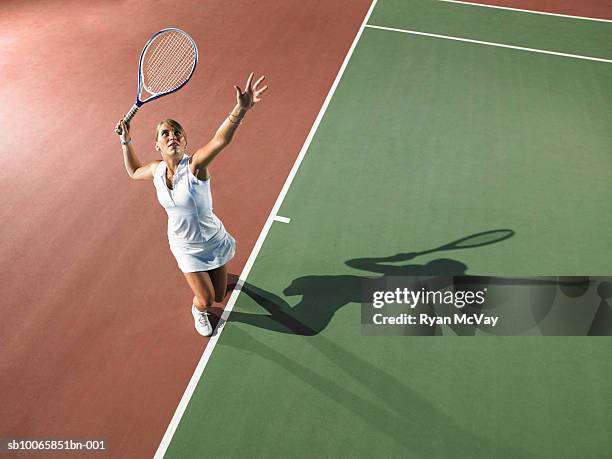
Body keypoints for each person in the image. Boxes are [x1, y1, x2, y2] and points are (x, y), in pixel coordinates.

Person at [115, 73, 268, 336]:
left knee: (221, 295)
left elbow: (221, 140)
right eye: (165, 134)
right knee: (208, 301)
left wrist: (240, 109)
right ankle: (198, 310)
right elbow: (132, 171)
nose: (172, 136)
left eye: (177, 133)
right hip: (185, 246)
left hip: (213, 239)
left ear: (185, 142)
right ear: (157, 145)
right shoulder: (156, 170)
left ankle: (216, 282)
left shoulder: (195, 167)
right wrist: (125, 140)